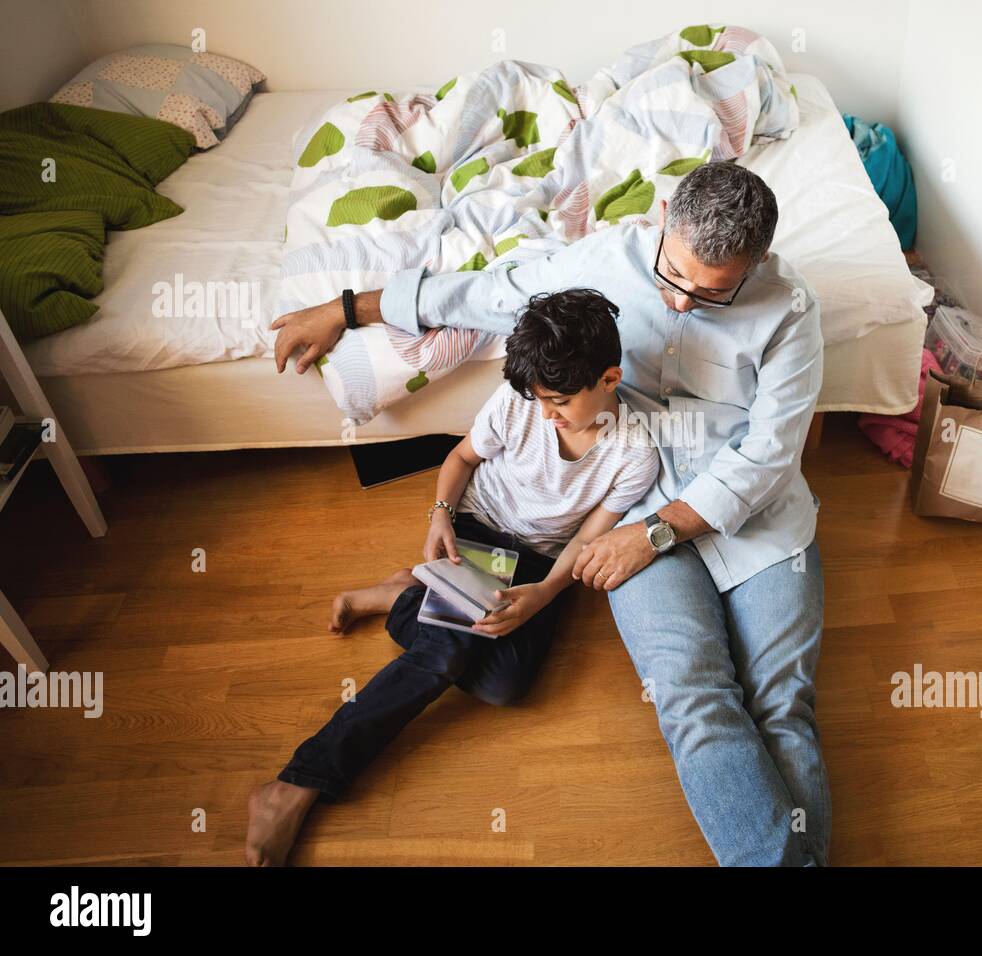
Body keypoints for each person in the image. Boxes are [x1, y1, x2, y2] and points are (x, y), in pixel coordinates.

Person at [272, 161, 829, 866]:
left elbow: (770, 456)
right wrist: (347, 309)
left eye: (713, 294)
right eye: (674, 278)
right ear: (661, 216)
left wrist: (655, 534)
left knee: (785, 707)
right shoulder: (606, 264)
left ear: (758, 263)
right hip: (635, 513)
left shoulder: (792, 311)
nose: (684, 303)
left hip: (753, 525)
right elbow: (483, 293)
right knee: (692, 694)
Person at [246, 289, 659, 866]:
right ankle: (297, 782)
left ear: (610, 378)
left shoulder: (634, 453)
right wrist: (439, 515)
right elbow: (462, 460)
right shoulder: (518, 402)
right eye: (539, 400)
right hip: (480, 529)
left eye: (561, 401)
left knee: (504, 686)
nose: (547, 413)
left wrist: (542, 595)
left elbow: (588, 538)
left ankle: (406, 593)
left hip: (541, 563)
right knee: (444, 656)